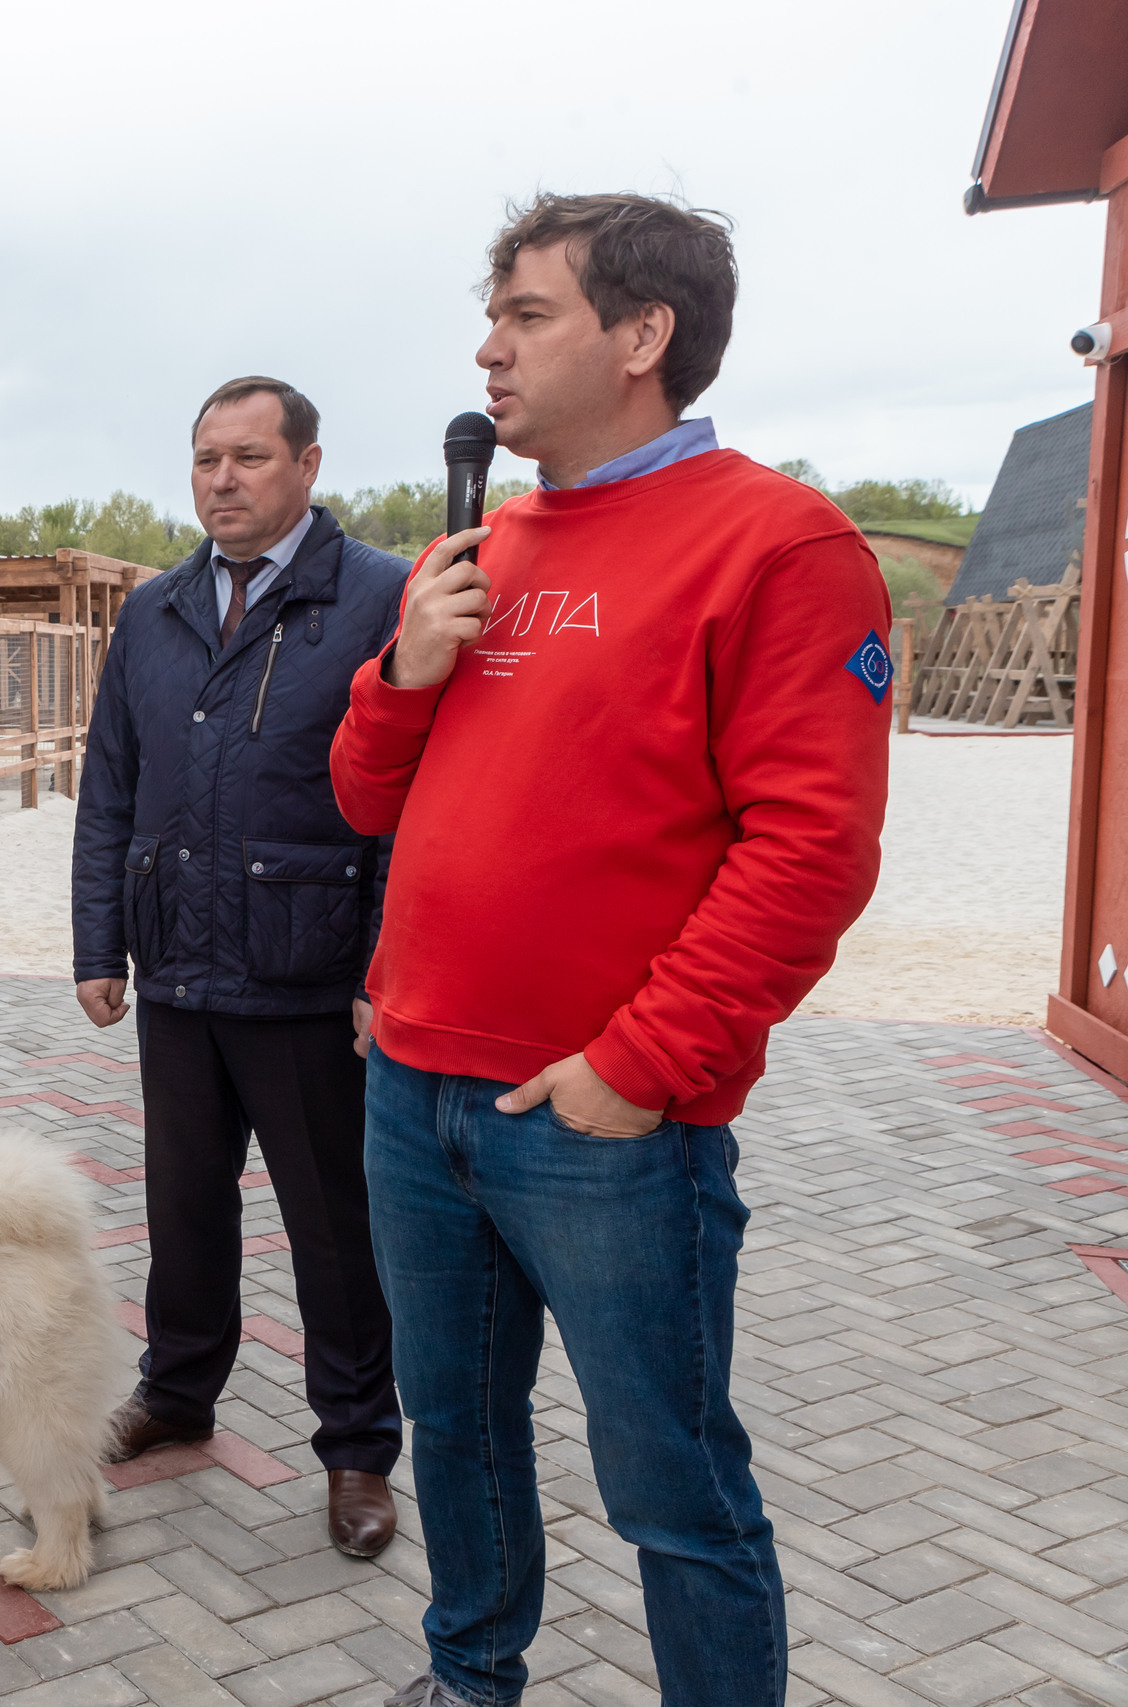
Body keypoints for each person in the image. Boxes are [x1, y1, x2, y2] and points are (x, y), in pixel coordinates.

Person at [330, 195, 889, 1707]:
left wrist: (641, 1066)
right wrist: (403, 667)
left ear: (643, 337)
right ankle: (469, 1676)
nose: (487, 348)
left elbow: (813, 850)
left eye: (526, 314)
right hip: (414, 1088)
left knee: (669, 1482)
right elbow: (368, 793)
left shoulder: (780, 543)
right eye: (492, 316)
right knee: (454, 1432)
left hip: (603, 1125)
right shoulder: (485, 537)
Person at [72, 379, 410, 1558]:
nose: (223, 480)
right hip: (175, 970)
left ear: (308, 465)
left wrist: (382, 970)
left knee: (332, 1226)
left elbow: (405, 807)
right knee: (183, 1208)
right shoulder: (154, 609)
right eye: (206, 458)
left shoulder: (378, 597)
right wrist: (94, 943)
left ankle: (359, 1445)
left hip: (307, 977)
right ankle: (177, 1390)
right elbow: (108, 783)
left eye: (250, 458)